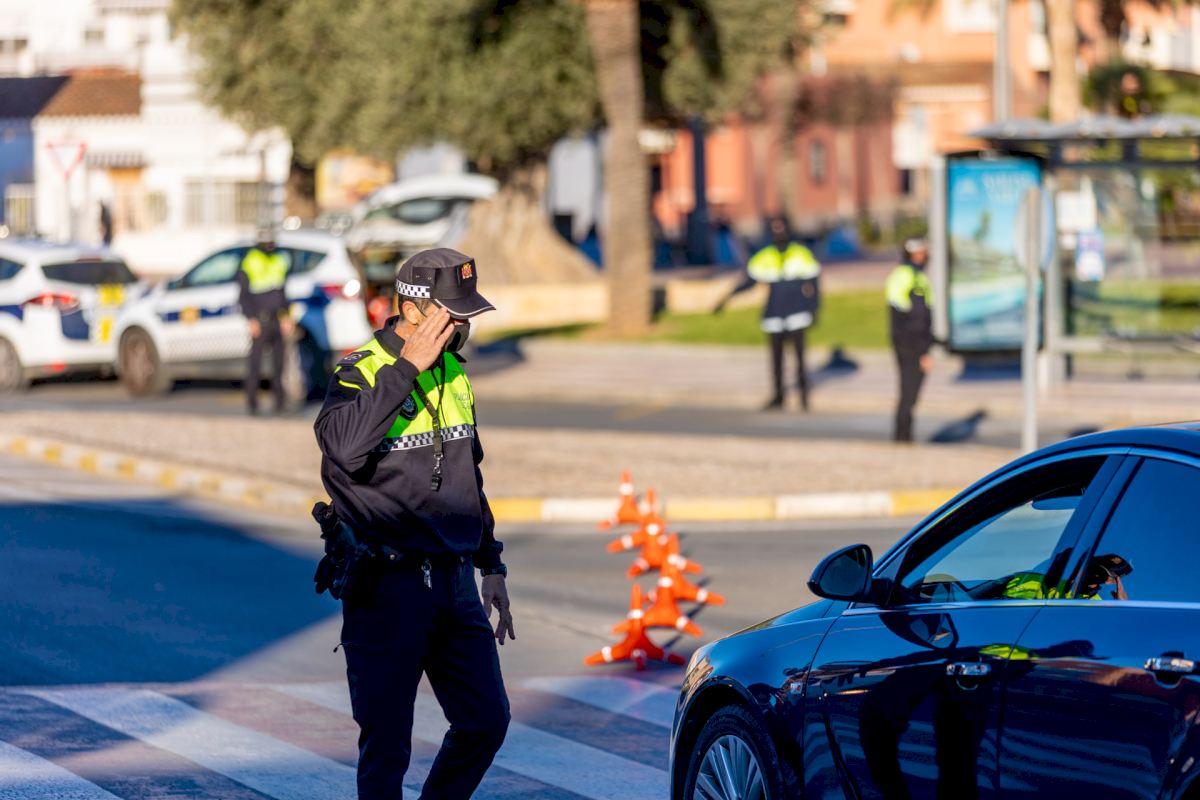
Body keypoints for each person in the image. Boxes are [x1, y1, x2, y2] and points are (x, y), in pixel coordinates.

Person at [314, 247, 514, 800]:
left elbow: (468, 476)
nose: (460, 327)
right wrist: (406, 370)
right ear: (411, 309)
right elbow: (342, 449)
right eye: (451, 315)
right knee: (387, 749)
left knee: (485, 722)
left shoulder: (454, 372)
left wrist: (491, 564)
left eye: (465, 316)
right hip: (387, 588)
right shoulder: (359, 371)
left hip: (454, 584)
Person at [716, 217, 821, 411]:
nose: (779, 233)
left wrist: (813, 309)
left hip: (797, 314)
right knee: (776, 359)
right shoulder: (765, 256)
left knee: (800, 358)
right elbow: (749, 282)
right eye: (775, 229)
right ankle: (778, 396)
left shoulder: (801, 254)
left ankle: (804, 397)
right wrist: (727, 298)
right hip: (774, 314)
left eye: (782, 228)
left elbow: (814, 285)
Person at [237, 231, 292, 415]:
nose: (270, 246)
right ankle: (252, 404)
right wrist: (251, 319)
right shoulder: (250, 261)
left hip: (277, 319)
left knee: (279, 365)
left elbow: (283, 293)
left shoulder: (279, 260)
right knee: (255, 365)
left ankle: (280, 403)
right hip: (259, 320)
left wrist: (286, 316)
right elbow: (243, 296)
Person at [887, 238, 934, 442]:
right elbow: (912, 319)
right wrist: (923, 350)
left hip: (914, 343)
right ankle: (902, 436)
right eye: (919, 253)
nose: (923, 257)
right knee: (909, 390)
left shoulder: (919, 277)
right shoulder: (904, 276)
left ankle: (904, 434)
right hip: (909, 344)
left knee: (910, 391)